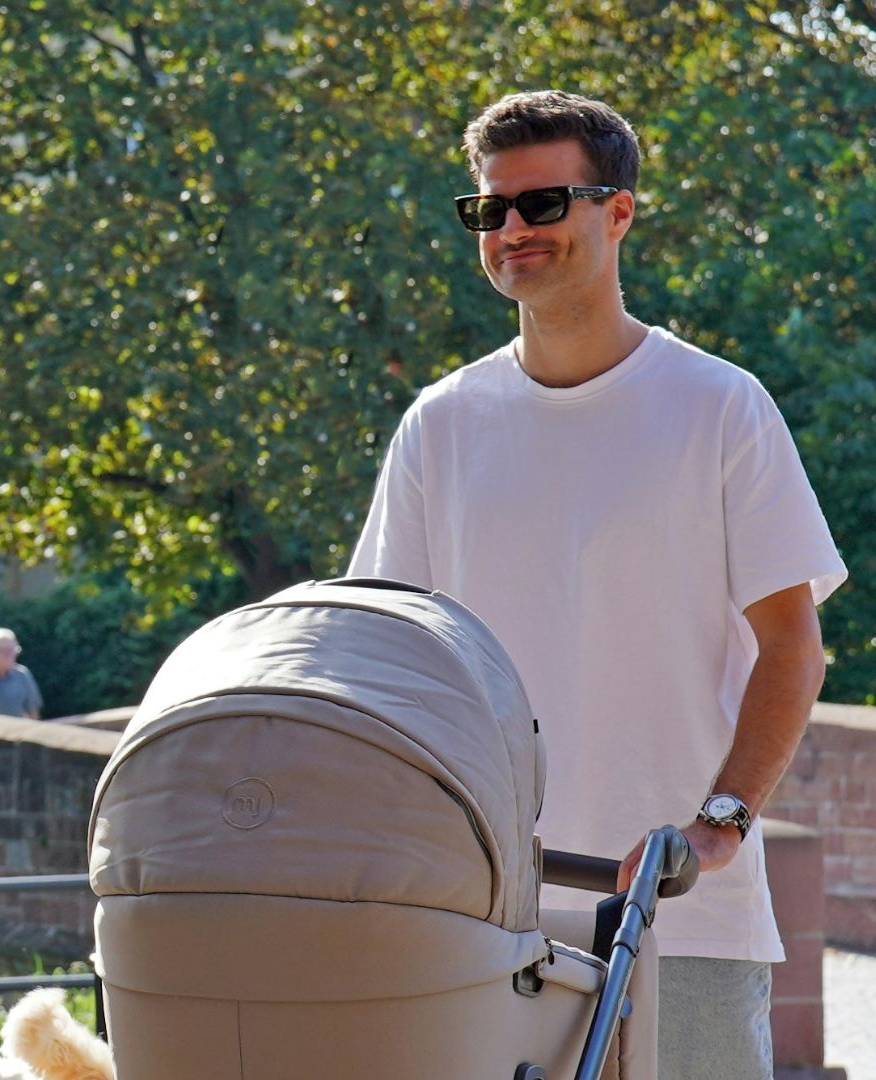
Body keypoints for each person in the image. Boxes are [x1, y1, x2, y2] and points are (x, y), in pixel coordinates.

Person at [349, 91, 845, 1080]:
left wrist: (722, 825)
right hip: (483, 921)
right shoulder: (440, 425)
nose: (513, 230)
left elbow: (793, 648)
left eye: (543, 204)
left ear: (618, 211)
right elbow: (388, 655)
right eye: (491, 210)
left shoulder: (719, 408)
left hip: (683, 917)